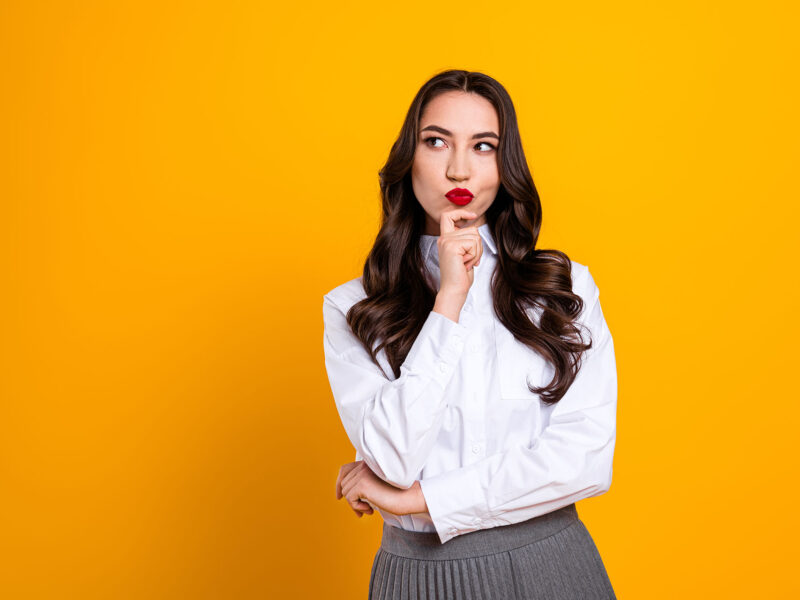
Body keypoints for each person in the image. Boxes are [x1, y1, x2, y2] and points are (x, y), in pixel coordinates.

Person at [322, 69, 617, 599]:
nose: (459, 168)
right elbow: (392, 459)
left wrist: (420, 500)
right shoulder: (353, 308)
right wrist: (449, 302)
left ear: (506, 168)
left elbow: (585, 461)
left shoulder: (563, 289)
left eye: (483, 146)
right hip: (418, 579)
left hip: (553, 569)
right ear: (408, 158)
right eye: (436, 142)